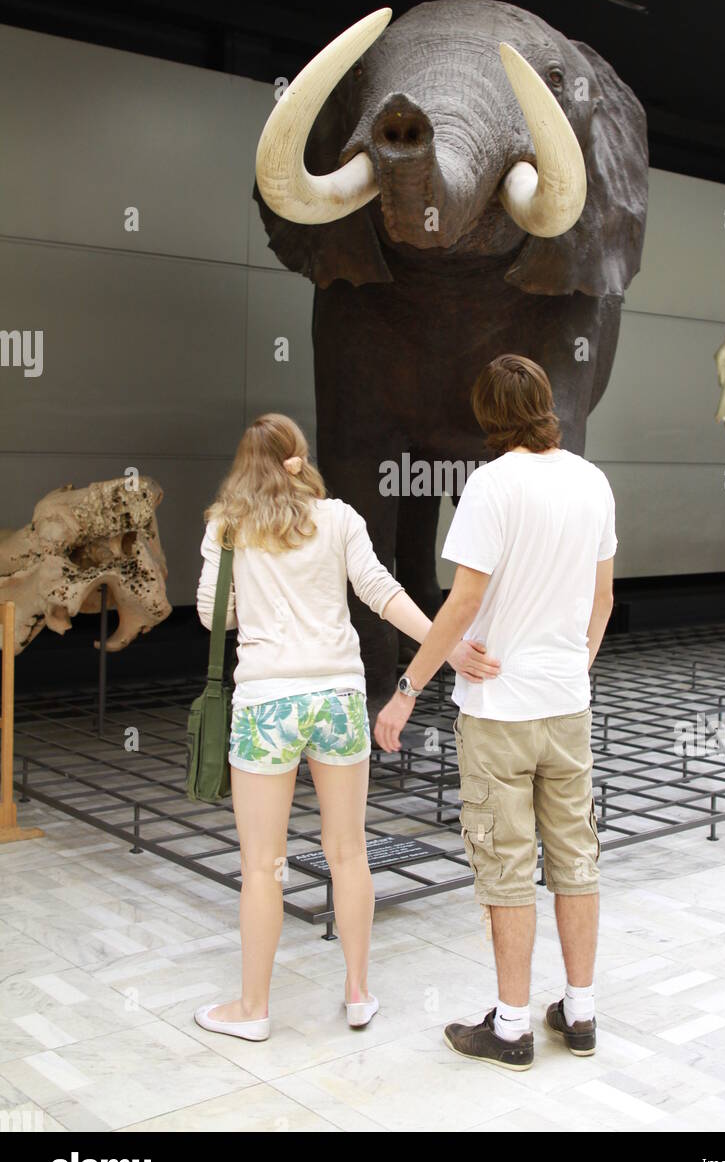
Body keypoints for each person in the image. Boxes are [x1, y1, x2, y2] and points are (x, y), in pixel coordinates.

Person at [193, 413, 498, 1041]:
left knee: (262, 866)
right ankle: (358, 994)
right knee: (349, 850)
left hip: (266, 704)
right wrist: (448, 645)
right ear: (299, 458)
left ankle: (253, 1010)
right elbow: (382, 593)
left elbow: (210, 617)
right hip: (337, 698)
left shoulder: (228, 527)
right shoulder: (337, 519)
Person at [375, 355, 616, 1071]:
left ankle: (510, 1027)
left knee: (506, 866)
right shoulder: (593, 481)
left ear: (486, 415)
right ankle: (580, 1012)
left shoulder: (491, 485)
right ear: (547, 405)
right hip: (567, 704)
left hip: (499, 710)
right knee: (576, 855)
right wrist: (574, 667)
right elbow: (601, 602)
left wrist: (407, 688)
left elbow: (464, 602)